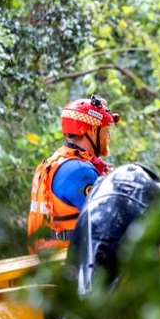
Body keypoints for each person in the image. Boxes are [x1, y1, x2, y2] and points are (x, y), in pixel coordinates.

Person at [27, 95, 120, 253]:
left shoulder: (58, 162)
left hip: (48, 261)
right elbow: (109, 222)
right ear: (91, 130)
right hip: (67, 264)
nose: (109, 137)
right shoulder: (80, 171)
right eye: (106, 130)